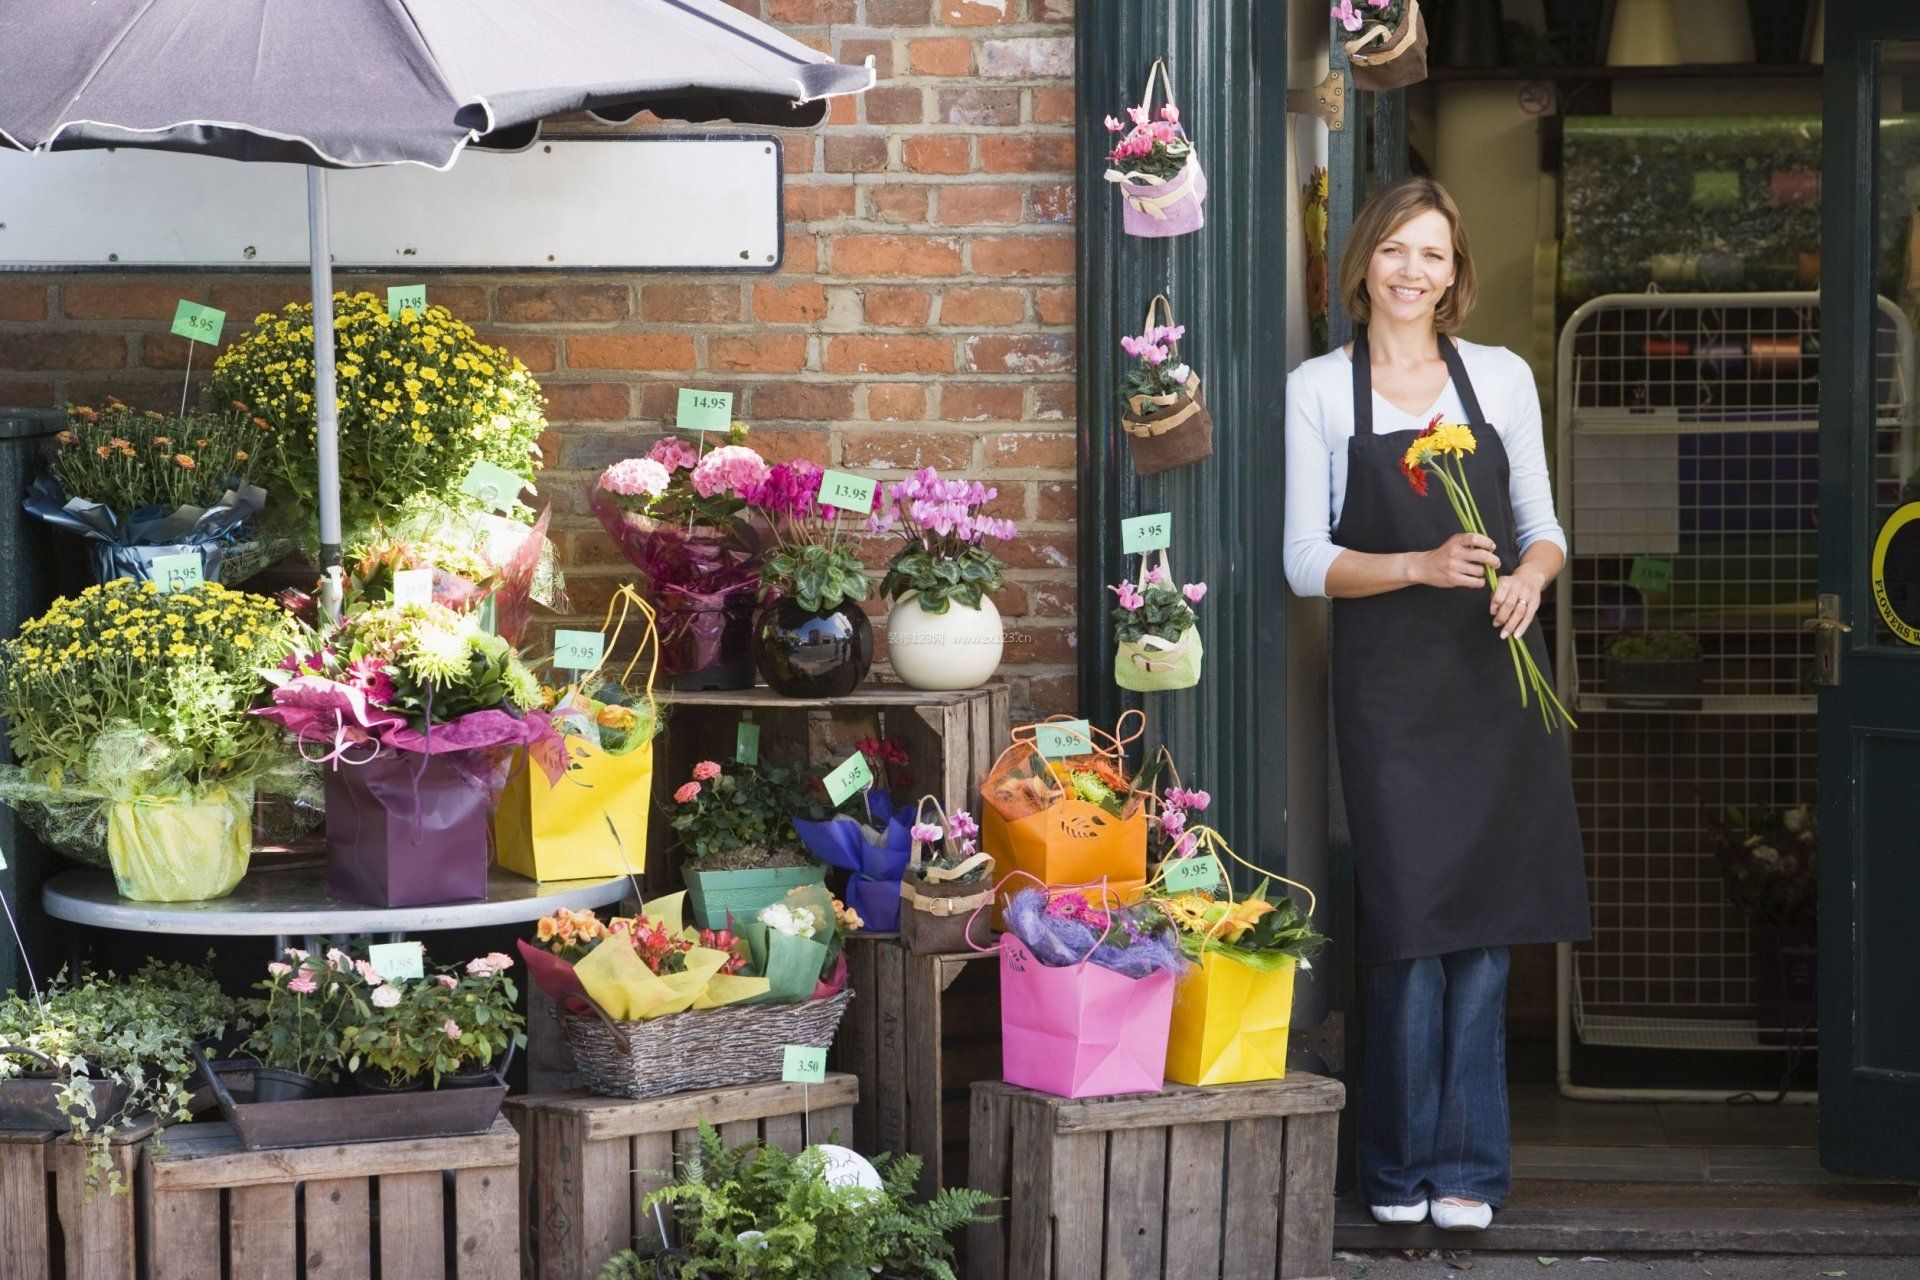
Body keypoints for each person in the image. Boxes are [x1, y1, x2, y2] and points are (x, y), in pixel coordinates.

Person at [1282, 177, 1592, 1232]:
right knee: (1409, 935)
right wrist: (1417, 562)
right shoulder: (1320, 387)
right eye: (1396, 251)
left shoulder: (1499, 378)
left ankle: (1468, 1168)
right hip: (1392, 698)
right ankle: (1395, 1166)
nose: (1413, 271)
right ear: (1363, 260)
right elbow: (1301, 560)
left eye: (1434, 255)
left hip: (1498, 678)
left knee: (1488, 933)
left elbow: (1545, 524)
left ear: (1456, 274)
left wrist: (1529, 577)